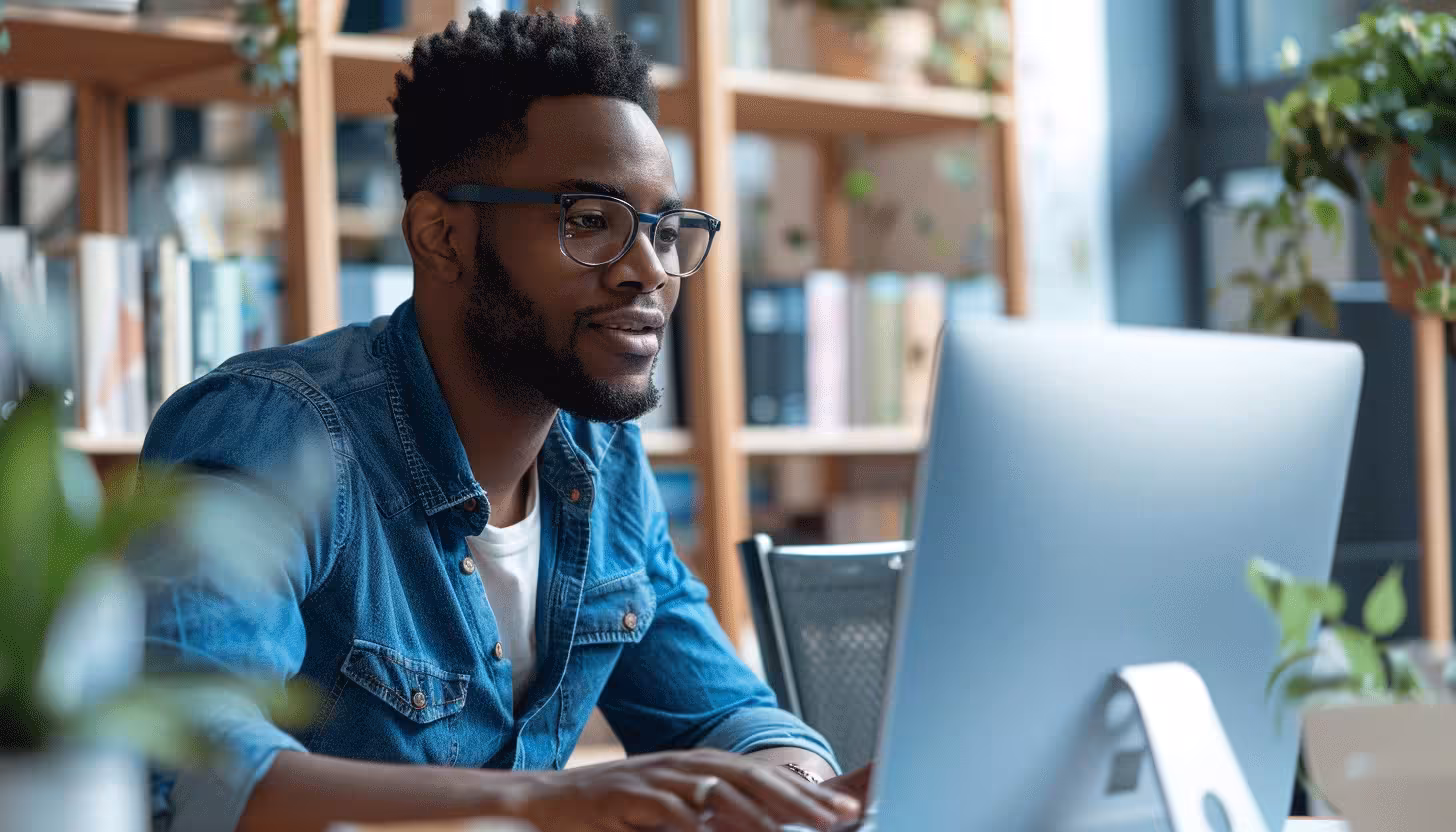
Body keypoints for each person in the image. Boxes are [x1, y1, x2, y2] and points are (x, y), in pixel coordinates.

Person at [132, 9, 868, 832]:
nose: (650, 271)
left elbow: (725, 719)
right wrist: (545, 803)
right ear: (440, 237)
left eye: (665, 229)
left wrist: (801, 792)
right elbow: (195, 768)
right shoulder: (273, 434)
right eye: (591, 220)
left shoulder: (600, 456)